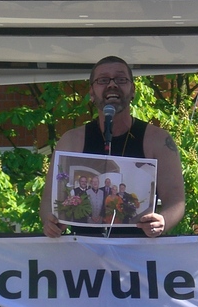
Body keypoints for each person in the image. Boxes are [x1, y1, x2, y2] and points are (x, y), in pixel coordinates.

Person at [41, 56, 184, 237]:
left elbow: (176, 201)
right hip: (84, 251)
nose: (112, 84)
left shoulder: (157, 139)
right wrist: (50, 222)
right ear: (92, 92)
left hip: (138, 249)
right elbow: (49, 200)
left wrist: (163, 221)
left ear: (133, 90)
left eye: (121, 79)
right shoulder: (71, 140)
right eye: (103, 80)